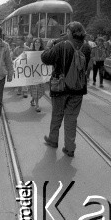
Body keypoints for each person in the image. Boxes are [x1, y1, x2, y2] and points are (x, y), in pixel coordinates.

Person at [41, 22, 91, 157]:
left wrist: (48, 46)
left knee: (57, 114)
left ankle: (53, 139)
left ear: (69, 32)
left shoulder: (62, 45)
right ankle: (70, 148)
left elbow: (46, 58)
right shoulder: (86, 47)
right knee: (71, 118)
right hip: (78, 88)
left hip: (60, 87)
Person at [29, 38, 46, 112]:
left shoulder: (43, 52)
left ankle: (33, 99)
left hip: (40, 73)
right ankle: (37, 105)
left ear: (41, 44)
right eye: (36, 42)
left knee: (40, 89)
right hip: (33, 74)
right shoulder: (30, 52)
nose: (37, 43)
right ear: (34, 43)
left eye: (39, 42)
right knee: (35, 88)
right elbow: (27, 61)